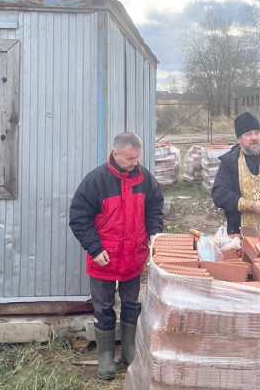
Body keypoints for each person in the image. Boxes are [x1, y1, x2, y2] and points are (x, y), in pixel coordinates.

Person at [69, 132, 164, 380]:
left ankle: (129, 350)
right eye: (130, 158)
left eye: (137, 158)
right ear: (115, 153)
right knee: (104, 307)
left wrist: (154, 232)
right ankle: (106, 358)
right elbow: (79, 218)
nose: (135, 163)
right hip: (104, 259)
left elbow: (155, 206)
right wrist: (94, 247)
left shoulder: (145, 179)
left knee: (132, 304)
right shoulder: (96, 181)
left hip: (133, 257)